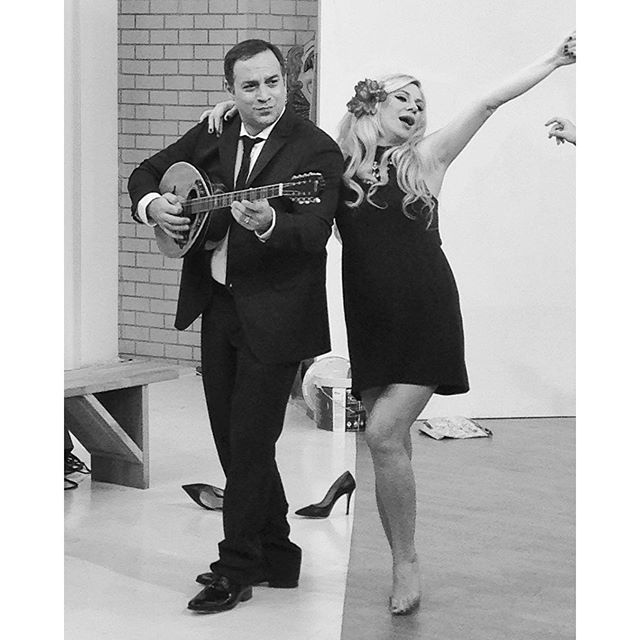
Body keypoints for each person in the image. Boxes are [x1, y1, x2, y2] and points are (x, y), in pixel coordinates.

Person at [204, 30, 576, 616]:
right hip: (371, 322)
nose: (415, 108)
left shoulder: (427, 160)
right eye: (404, 97)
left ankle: (407, 563)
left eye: (421, 102)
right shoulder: (337, 165)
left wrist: (554, 59)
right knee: (390, 446)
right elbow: (279, 138)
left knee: (380, 433)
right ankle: (402, 553)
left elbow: (487, 102)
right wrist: (230, 111)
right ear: (372, 107)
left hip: (427, 315)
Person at [128, 39, 344, 614]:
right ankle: (278, 552)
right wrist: (154, 206)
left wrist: (272, 222)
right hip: (219, 305)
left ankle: (237, 567)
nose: (264, 95)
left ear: (286, 83)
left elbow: (315, 233)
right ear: (230, 91)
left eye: (273, 82)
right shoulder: (215, 131)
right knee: (232, 440)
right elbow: (147, 172)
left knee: (250, 442)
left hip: (279, 315)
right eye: (250, 86)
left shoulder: (315, 148)